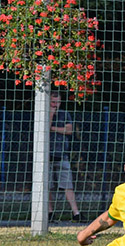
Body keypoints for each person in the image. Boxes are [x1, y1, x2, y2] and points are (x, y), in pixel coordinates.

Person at [48, 92, 83, 222]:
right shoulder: (44, 114)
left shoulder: (64, 114)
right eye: (53, 102)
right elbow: (45, 128)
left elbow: (69, 130)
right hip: (47, 156)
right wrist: (51, 115)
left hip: (62, 154)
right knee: (47, 185)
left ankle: (76, 213)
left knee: (68, 184)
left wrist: (53, 128)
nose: (55, 105)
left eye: (58, 102)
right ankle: (49, 213)